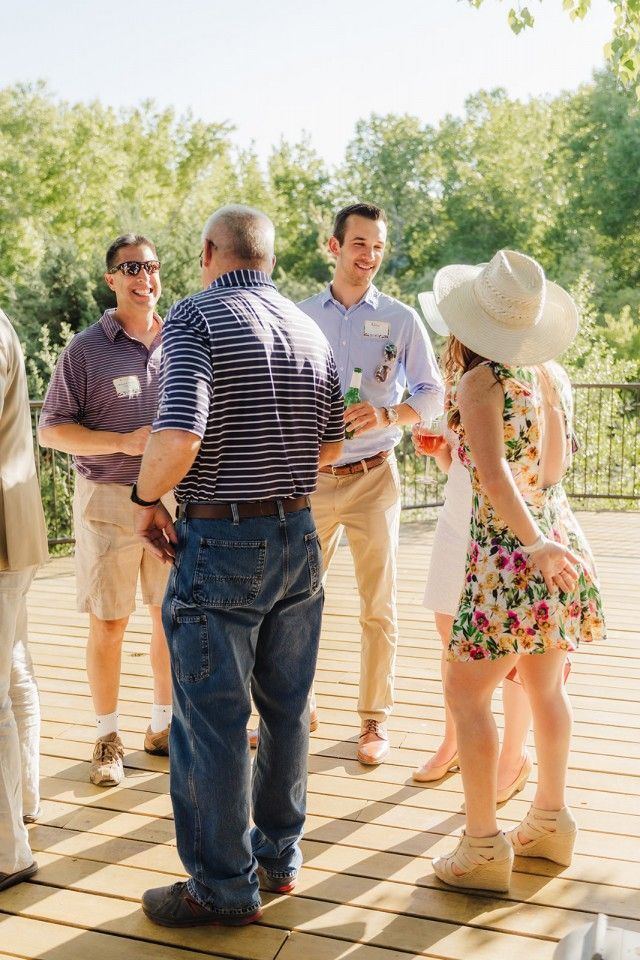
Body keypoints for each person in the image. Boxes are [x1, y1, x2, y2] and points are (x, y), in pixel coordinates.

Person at [131, 205, 344, 927]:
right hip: (299, 538)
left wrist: (146, 496)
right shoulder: (309, 328)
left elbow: (180, 433)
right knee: (286, 711)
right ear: (270, 259)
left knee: (212, 722)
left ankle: (221, 888)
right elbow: (330, 448)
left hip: (223, 542)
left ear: (206, 253)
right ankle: (277, 858)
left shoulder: (193, 319)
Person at [427, 250, 605, 893]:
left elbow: (496, 478)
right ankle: (551, 823)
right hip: (555, 536)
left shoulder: (481, 382)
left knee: (466, 693)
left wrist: (527, 542)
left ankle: (481, 847)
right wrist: (548, 540)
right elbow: (549, 472)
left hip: (510, 551)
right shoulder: (549, 374)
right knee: (545, 688)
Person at [295, 202, 443, 765]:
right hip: (311, 480)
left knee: (378, 605)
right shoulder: (300, 316)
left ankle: (373, 721)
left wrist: (388, 416)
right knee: (294, 601)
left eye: (378, 246)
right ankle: (293, 708)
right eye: (360, 244)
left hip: (375, 478)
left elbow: (432, 395)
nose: (370, 256)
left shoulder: (402, 320)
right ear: (333, 248)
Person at [38, 235, 174, 787]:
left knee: (171, 619)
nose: (145, 277)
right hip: (109, 502)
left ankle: (164, 726)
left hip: (172, 500)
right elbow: (50, 430)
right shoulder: (85, 349)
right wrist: (122, 441)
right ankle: (106, 735)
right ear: (111, 279)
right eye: (132, 268)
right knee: (110, 622)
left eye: (153, 267)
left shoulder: (183, 339)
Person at [412, 292, 534, 802]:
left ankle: (514, 756)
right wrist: (444, 455)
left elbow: (512, 472)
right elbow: (469, 469)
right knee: (450, 634)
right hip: (456, 520)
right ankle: (455, 739)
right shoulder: (465, 383)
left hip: (502, 529)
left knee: (509, 648)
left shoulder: (513, 380)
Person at [0, 308, 49, 891]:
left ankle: (9, 851)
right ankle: (24, 801)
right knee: (13, 672)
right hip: (15, 531)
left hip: (3, 536)